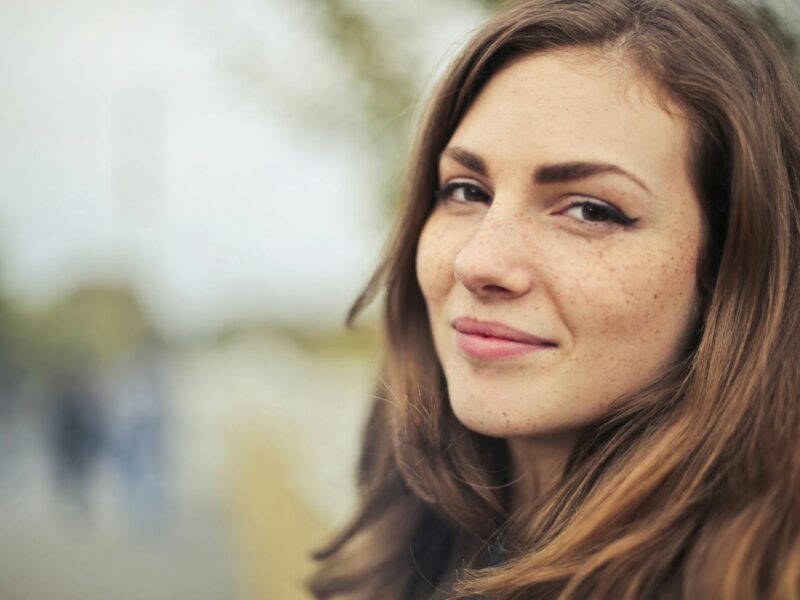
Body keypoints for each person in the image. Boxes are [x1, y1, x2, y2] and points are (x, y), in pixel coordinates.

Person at [309, 0, 800, 598]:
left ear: (731, 270)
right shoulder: (413, 553)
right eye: (466, 191)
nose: (479, 262)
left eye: (589, 209)